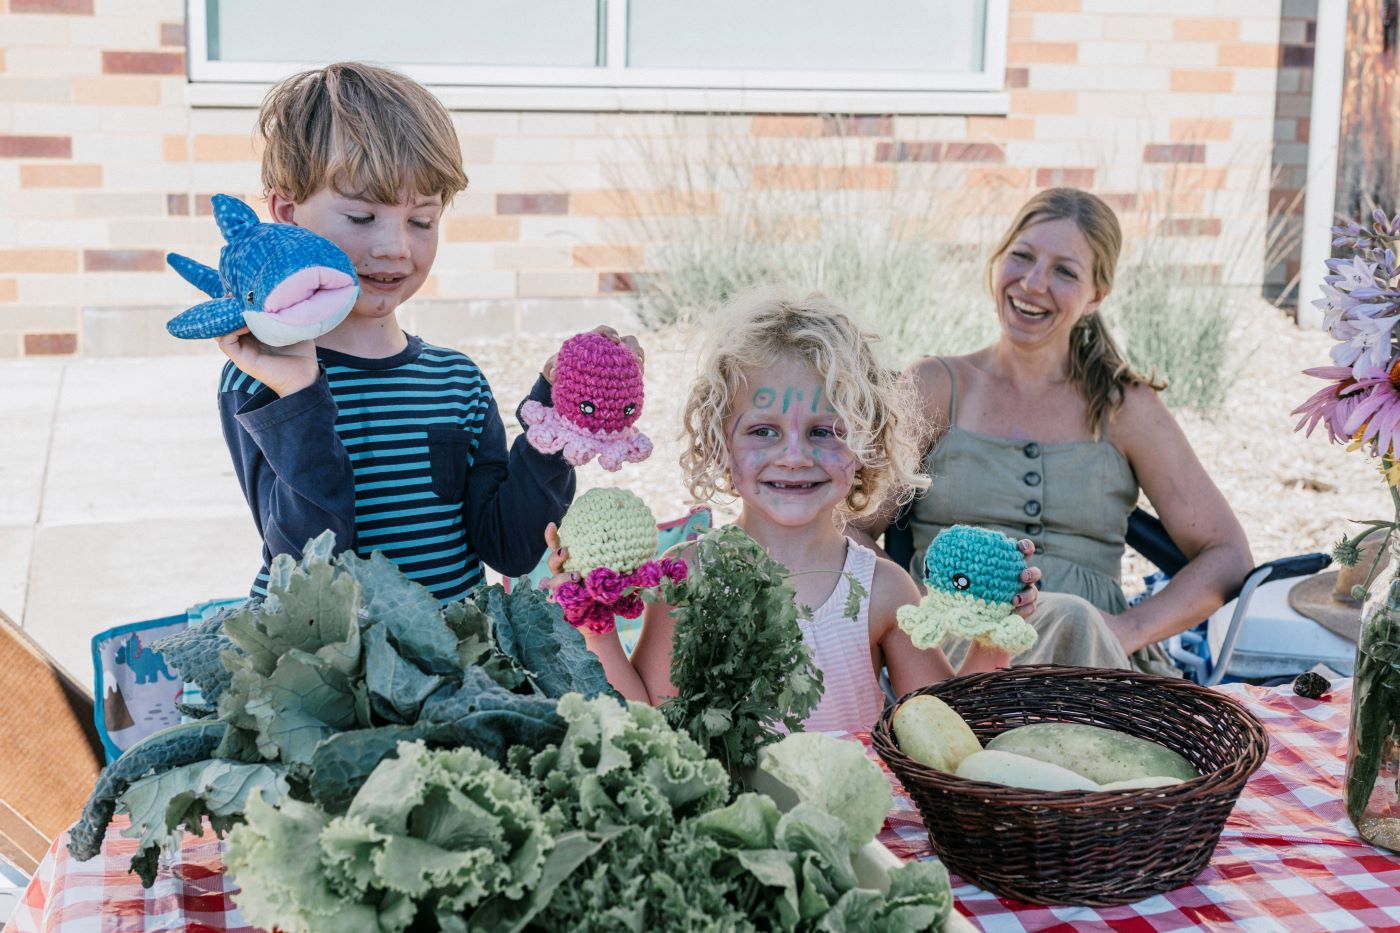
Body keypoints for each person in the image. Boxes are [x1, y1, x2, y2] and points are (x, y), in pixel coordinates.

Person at [215, 62, 640, 601]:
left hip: (457, 677)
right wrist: (301, 396)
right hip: (333, 678)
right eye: (362, 217)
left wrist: (562, 416)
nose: (395, 246)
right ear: (286, 214)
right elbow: (306, 572)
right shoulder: (262, 379)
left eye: (421, 221)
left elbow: (509, 547)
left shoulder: (456, 381)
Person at [546, 292, 1041, 732]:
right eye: (764, 431)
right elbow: (650, 726)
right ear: (720, 441)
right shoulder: (688, 576)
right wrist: (598, 629)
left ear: (865, 442)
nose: (795, 455)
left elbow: (946, 732)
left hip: (852, 832)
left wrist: (994, 641)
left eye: (825, 431)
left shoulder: (882, 590)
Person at [854, 188, 1253, 674]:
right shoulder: (936, 387)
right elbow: (850, 527)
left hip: (1097, 661)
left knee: (1071, 620)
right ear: (998, 261)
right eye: (1021, 257)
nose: (1033, 283)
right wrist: (921, 611)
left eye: (1065, 271)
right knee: (1063, 626)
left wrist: (1129, 629)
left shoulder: (1124, 408)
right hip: (953, 659)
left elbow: (1228, 555)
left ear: (1096, 297)